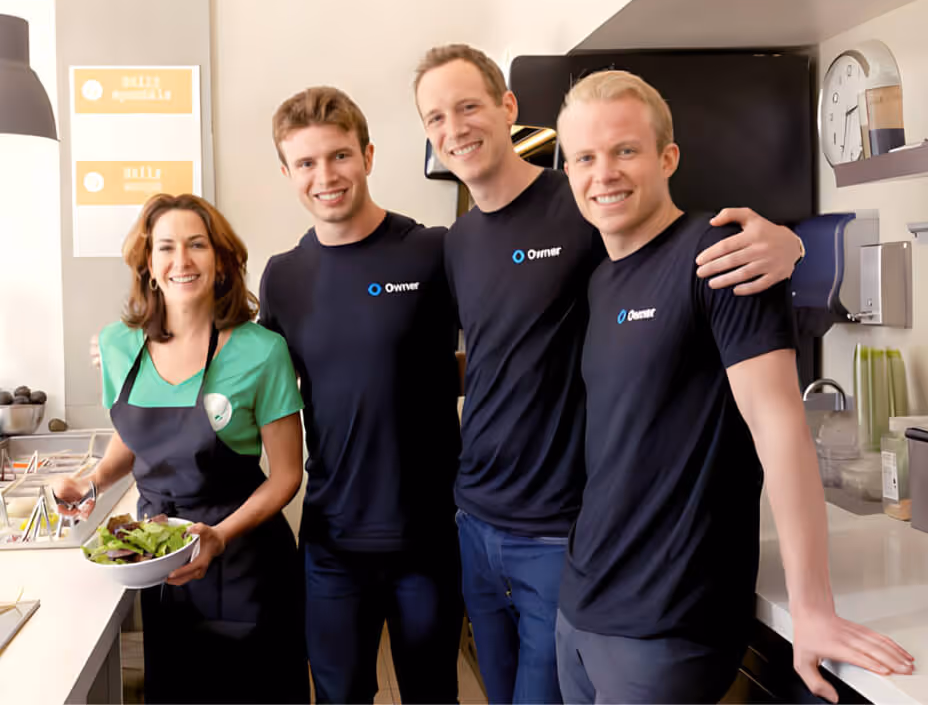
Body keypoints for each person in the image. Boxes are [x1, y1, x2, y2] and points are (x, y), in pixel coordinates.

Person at [413, 44, 808, 704]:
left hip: (562, 531)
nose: (454, 128)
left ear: (508, 108)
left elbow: (675, 232)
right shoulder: (456, 241)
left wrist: (785, 241)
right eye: (435, 116)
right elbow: (493, 351)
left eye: (469, 106)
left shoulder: (578, 202)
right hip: (477, 519)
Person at [554, 69, 915, 704]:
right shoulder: (600, 278)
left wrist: (814, 608)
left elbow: (779, 426)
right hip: (580, 612)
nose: (603, 172)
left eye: (625, 150)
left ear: (668, 157)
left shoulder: (721, 257)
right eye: (585, 156)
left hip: (665, 628)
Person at [54, 194, 309, 704]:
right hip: (166, 565)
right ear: (148, 266)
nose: (182, 261)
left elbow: (286, 475)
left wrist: (219, 535)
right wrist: (93, 481)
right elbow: (134, 437)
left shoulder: (261, 351)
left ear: (221, 262)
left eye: (197, 245)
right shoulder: (117, 346)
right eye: (166, 247)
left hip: (246, 565)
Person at [259, 86, 462, 704]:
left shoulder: (433, 251)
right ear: (288, 172)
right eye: (307, 163)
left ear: (368, 156)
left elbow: (502, 349)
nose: (326, 176)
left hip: (428, 535)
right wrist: (143, 347)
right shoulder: (284, 276)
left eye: (340, 156)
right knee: (340, 696)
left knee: (432, 695)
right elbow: (250, 381)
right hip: (333, 541)